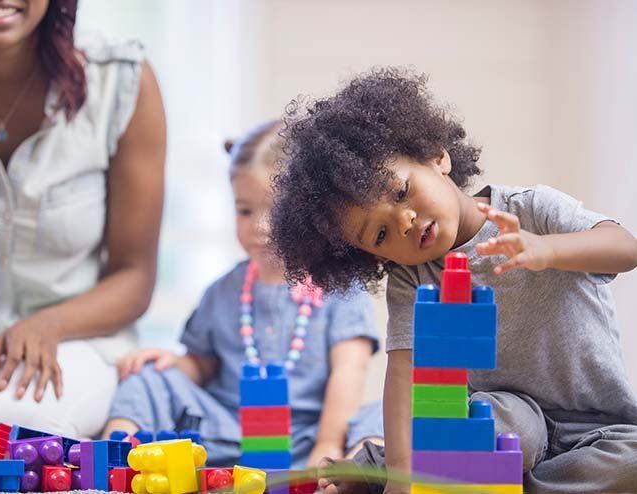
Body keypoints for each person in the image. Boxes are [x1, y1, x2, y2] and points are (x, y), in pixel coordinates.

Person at [269, 68, 637, 493]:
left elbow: (625, 247)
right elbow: (403, 375)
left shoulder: (532, 211)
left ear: (436, 156)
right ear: (373, 256)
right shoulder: (413, 278)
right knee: (468, 429)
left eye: (401, 192)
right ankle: (403, 470)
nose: (404, 220)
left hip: (598, 425)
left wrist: (547, 249)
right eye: (381, 234)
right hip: (499, 416)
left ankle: (403, 470)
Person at [0, 0, 165, 463]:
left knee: (17, 437)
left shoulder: (121, 82)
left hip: (72, 344)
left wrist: (51, 324)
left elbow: (134, 277)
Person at [102, 121, 383, 468]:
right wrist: (173, 365)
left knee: (389, 413)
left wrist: (326, 443)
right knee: (147, 379)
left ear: (311, 210)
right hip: (229, 435)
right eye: (245, 210)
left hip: (310, 438)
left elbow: (349, 372)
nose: (260, 227)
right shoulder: (224, 291)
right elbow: (202, 364)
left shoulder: (341, 287)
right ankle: (112, 464)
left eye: (276, 211)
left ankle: (346, 476)